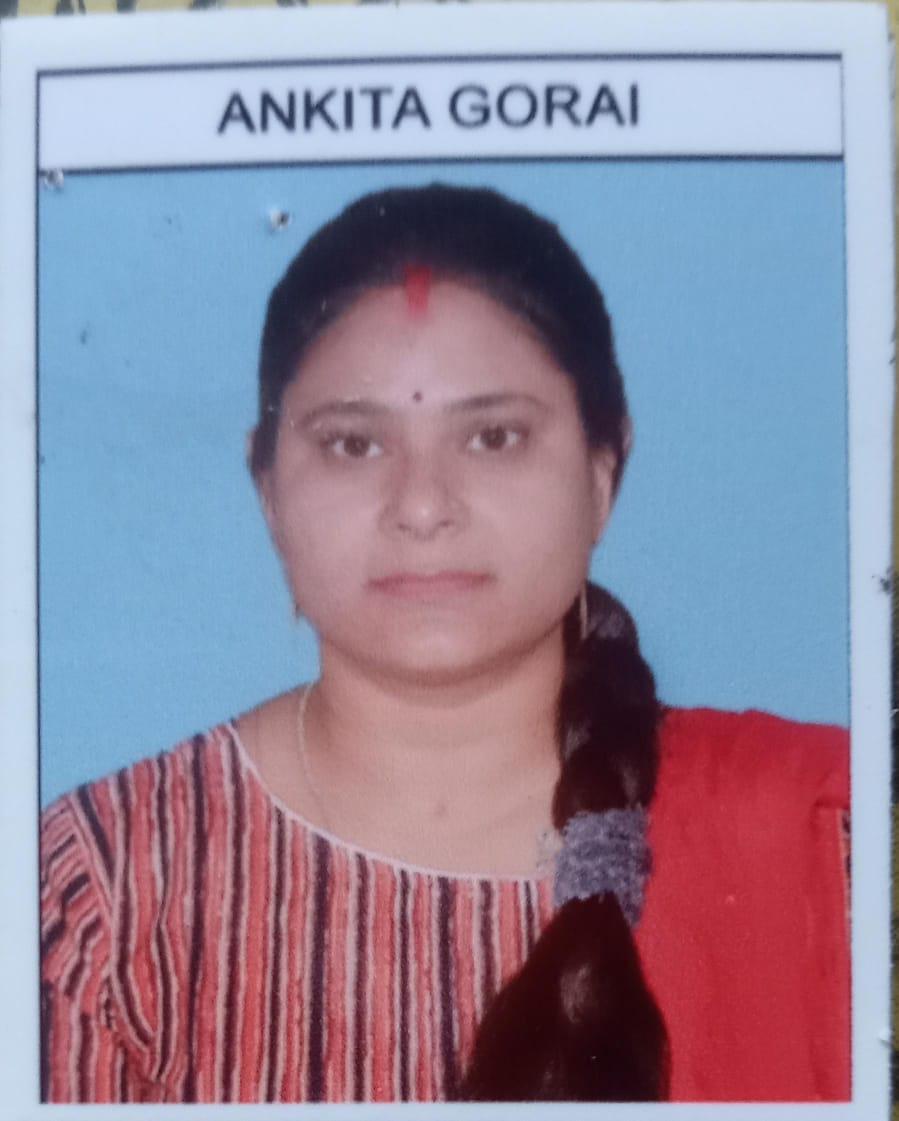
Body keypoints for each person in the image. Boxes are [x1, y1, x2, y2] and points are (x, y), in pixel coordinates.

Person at [39, 183, 850, 1104]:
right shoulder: (105, 887)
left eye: (493, 436)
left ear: (602, 470)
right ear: (265, 486)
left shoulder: (821, 844)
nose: (422, 506)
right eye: (353, 445)